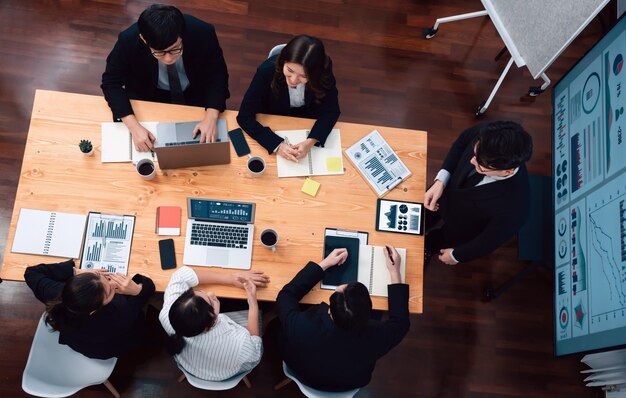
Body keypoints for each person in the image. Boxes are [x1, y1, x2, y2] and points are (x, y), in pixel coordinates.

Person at [275, 247, 409, 391]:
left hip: (302, 372)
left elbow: (286, 295)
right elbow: (401, 323)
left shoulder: (302, 326)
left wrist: (324, 264)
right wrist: (395, 272)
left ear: (329, 310)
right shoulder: (377, 336)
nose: (339, 287)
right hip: (348, 383)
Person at [101, 4, 230, 151]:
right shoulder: (128, 40)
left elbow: (217, 74)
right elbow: (111, 82)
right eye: (159, 52)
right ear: (143, 39)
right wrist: (134, 127)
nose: (168, 59)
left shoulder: (202, 32)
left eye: (175, 49)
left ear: (182, 34)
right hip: (150, 96)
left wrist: (212, 116)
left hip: (195, 93)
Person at [423, 121, 533, 265]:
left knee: (439, 240)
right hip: (442, 192)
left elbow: (489, 241)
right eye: (475, 153)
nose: (471, 161)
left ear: (507, 171)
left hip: (461, 225)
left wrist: (457, 255)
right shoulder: (490, 133)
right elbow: (462, 141)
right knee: (422, 216)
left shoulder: (516, 207)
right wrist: (441, 181)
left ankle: (428, 247)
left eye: (480, 165)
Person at [236, 35, 340, 162]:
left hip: (308, 117)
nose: (293, 80)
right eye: (289, 70)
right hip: (274, 114)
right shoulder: (266, 71)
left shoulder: (323, 72)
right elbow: (244, 116)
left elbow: (331, 110)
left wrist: (311, 141)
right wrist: (277, 145)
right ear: (283, 61)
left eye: (303, 76)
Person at [24, 259, 155, 360]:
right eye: (110, 291)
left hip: (78, 340)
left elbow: (31, 273)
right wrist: (137, 290)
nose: (114, 283)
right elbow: (147, 290)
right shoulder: (120, 314)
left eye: (98, 276)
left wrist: (74, 271)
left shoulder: (54, 292)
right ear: (93, 310)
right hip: (107, 347)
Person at [159, 266, 269, 381]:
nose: (211, 293)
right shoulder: (239, 344)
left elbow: (181, 275)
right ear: (208, 326)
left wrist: (231, 278)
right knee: (263, 309)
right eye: (210, 301)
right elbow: (256, 348)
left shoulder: (166, 315)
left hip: (192, 369)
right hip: (226, 373)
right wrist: (253, 302)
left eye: (200, 292)